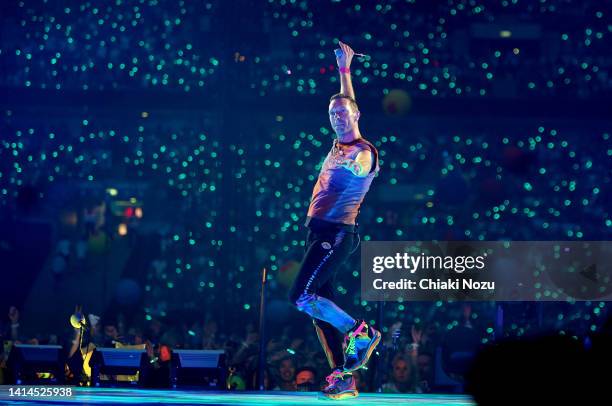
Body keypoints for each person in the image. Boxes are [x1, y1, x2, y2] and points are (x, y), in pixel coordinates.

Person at [289, 40, 380, 400]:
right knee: (318, 312)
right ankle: (343, 378)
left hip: (337, 235)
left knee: (301, 296)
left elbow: (363, 166)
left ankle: (361, 331)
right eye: (333, 114)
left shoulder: (363, 152)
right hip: (316, 233)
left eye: (344, 113)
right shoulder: (338, 141)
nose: (338, 117)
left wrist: (352, 165)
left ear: (357, 116)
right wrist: (345, 70)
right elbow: (346, 102)